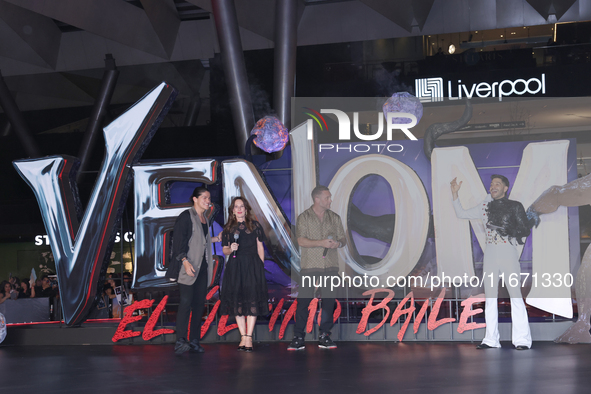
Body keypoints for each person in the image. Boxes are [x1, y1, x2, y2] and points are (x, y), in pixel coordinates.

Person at [451, 174, 533, 350]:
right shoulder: (484, 207)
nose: (493, 186)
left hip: (508, 253)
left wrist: (508, 228)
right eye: (491, 184)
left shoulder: (515, 206)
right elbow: (461, 213)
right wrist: (455, 194)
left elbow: (525, 229)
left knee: (515, 296)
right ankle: (490, 339)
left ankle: (522, 340)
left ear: (505, 188)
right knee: (490, 298)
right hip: (490, 255)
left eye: (497, 184)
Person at [288, 185, 346, 351]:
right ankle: (298, 337)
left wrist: (338, 243)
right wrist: (321, 243)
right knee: (304, 301)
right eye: (327, 198)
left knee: (328, 302)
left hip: (330, 265)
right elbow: (301, 241)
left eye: (330, 197)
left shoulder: (334, 217)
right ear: (317, 199)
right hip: (310, 266)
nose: (330, 200)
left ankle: (324, 335)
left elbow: (343, 238)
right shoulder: (304, 217)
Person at [166, 187, 221, 355]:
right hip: (188, 267)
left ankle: (194, 340)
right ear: (194, 199)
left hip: (202, 268)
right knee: (185, 303)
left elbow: (201, 241)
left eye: (209, 197)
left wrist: (216, 239)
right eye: (204, 197)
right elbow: (178, 244)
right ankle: (181, 341)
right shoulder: (186, 217)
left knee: (198, 305)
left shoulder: (204, 218)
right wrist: (184, 261)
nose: (207, 200)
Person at [220, 196, 268, 352]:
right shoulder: (228, 228)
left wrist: (260, 265)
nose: (239, 209)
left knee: (252, 300)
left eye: (242, 206)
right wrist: (231, 248)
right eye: (236, 206)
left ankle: (249, 337)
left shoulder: (255, 226)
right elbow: (224, 250)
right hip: (235, 266)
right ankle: (243, 337)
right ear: (232, 210)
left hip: (252, 265)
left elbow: (260, 247)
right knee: (238, 303)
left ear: (246, 209)